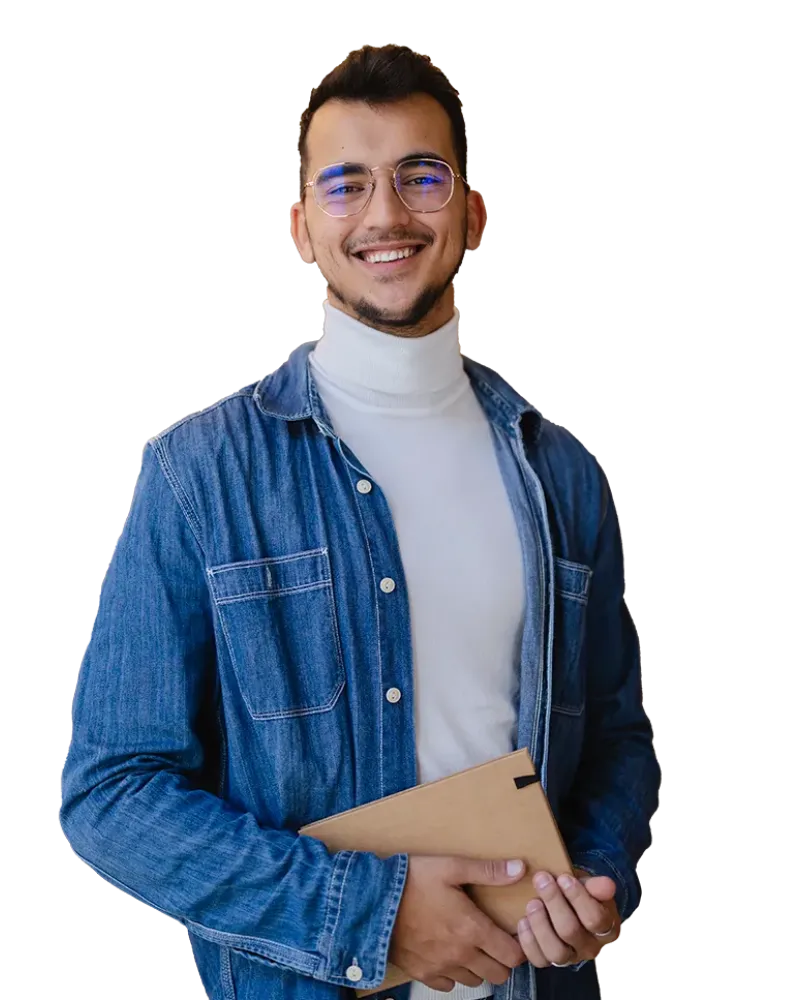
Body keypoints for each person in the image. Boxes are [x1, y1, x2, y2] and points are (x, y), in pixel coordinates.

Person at [59, 43, 659, 1000]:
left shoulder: (562, 475)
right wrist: (368, 917)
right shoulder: (198, 474)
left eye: (421, 176)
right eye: (346, 186)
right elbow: (110, 793)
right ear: (301, 228)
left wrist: (593, 877)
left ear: (474, 212)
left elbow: (619, 740)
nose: (385, 215)